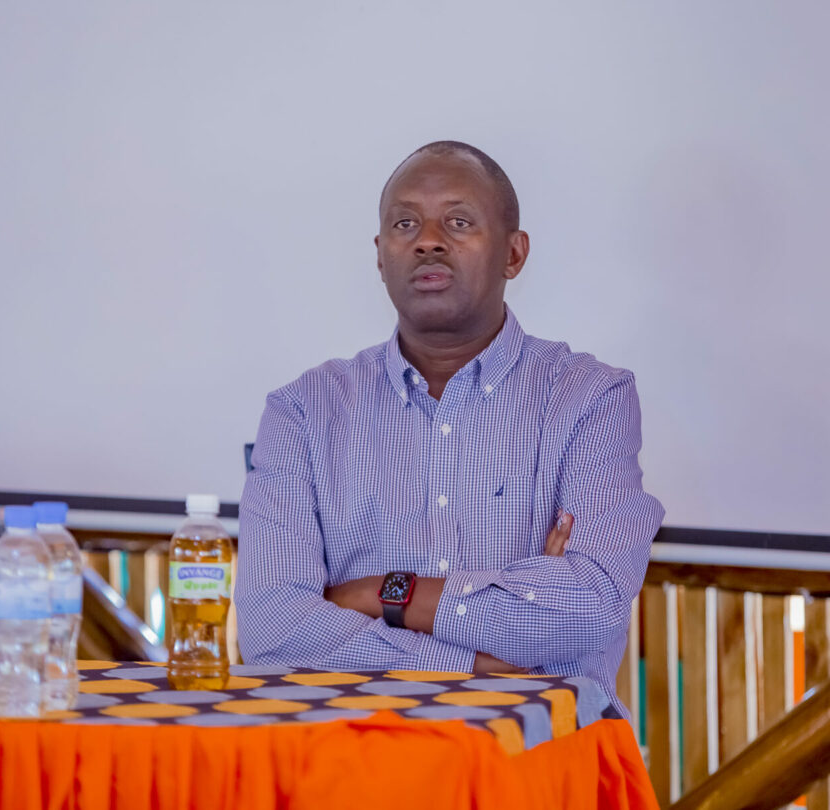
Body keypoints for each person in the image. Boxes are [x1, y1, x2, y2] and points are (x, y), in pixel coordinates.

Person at [234, 141, 664, 713]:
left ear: (514, 254)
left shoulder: (588, 399)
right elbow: (272, 630)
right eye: (405, 224)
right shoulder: (305, 412)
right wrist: (465, 664)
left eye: (458, 222)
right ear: (380, 256)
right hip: (356, 750)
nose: (428, 241)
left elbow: (587, 610)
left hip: (539, 753)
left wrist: (384, 594)